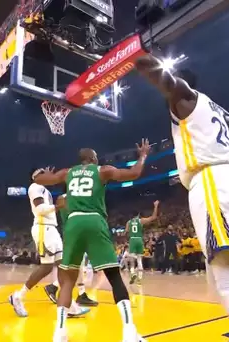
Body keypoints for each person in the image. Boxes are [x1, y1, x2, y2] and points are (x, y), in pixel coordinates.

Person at [135, 55, 229, 342]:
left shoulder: (185, 99)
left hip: (211, 182)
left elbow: (173, 85)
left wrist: (140, 60)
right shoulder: (212, 107)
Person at [34, 140, 150, 342]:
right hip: (95, 221)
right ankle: (129, 332)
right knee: (114, 276)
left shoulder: (67, 172)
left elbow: (42, 180)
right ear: (94, 159)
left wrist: (38, 173)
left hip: (72, 223)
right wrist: (143, 156)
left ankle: (59, 333)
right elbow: (133, 173)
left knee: (68, 280)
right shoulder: (102, 170)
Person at [8, 170, 89, 318]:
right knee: (52, 267)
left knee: (58, 266)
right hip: (43, 228)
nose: (48, 175)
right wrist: (58, 207)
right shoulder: (35, 187)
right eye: (44, 173)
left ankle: (67, 303)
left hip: (50, 228)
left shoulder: (44, 190)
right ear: (36, 177)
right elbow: (39, 209)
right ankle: (19, 296)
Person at [44, 191, 98, 306]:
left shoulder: (68, 197)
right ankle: (53, 286)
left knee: (78, 265)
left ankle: (80, 293)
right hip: (72, 231)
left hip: (76, 231)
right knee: (73, 265)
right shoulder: (64, 198)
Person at [126, 200, 159, 284]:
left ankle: (133, 273)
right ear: (138, 215)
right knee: (139, 259)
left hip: (132, 239)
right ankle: (140, 279)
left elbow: (126, 232)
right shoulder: (141, 220)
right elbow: (153, 217)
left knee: (132, 259)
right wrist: (155, 206)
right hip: (139, 239)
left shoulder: (128, 222)